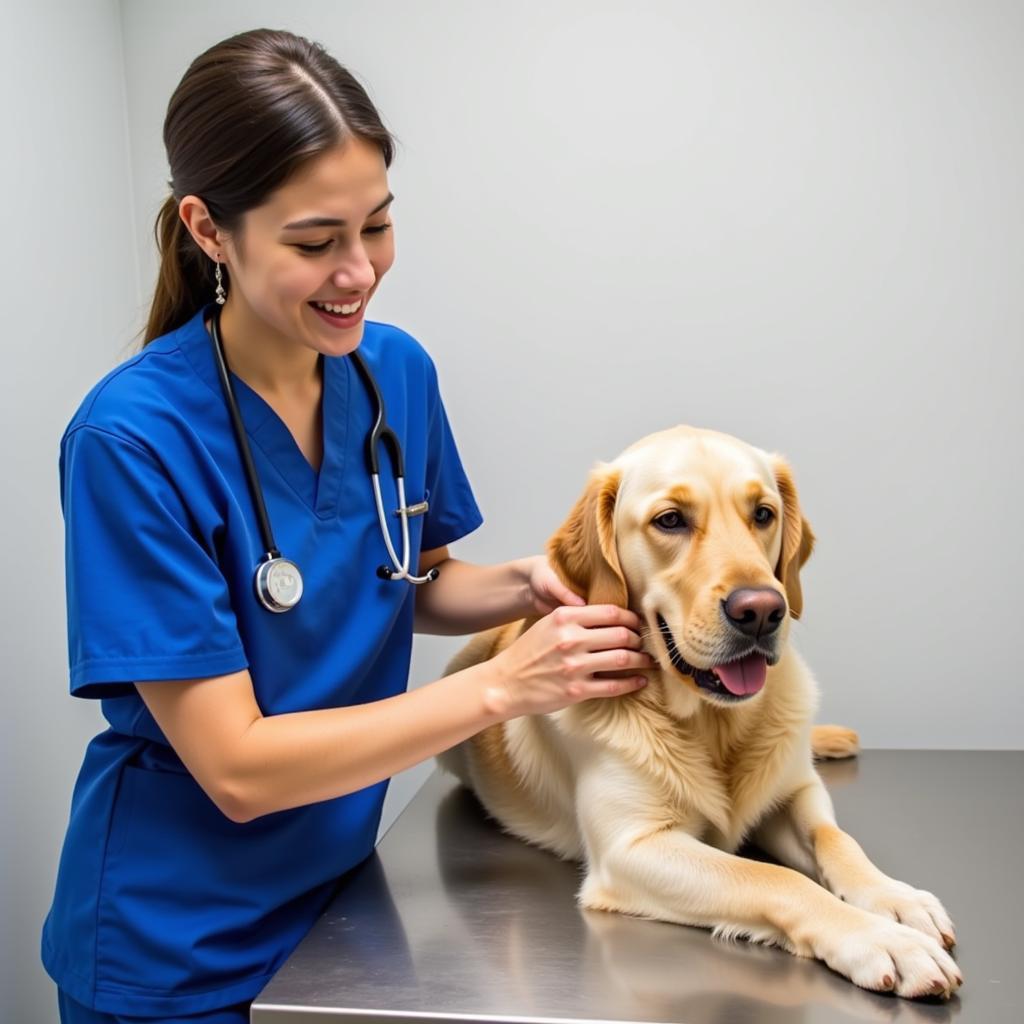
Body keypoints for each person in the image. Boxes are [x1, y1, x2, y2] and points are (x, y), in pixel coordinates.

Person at [41, 27, 654, 1024]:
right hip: (174, 948)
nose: (359, 271)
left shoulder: (392, 373)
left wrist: (532, 585)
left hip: (337, 908)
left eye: (376, 226)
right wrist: (504, 686)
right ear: (208, 230)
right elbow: (236, 767)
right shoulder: (132, 442)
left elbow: (409, 580)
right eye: (315, 241)